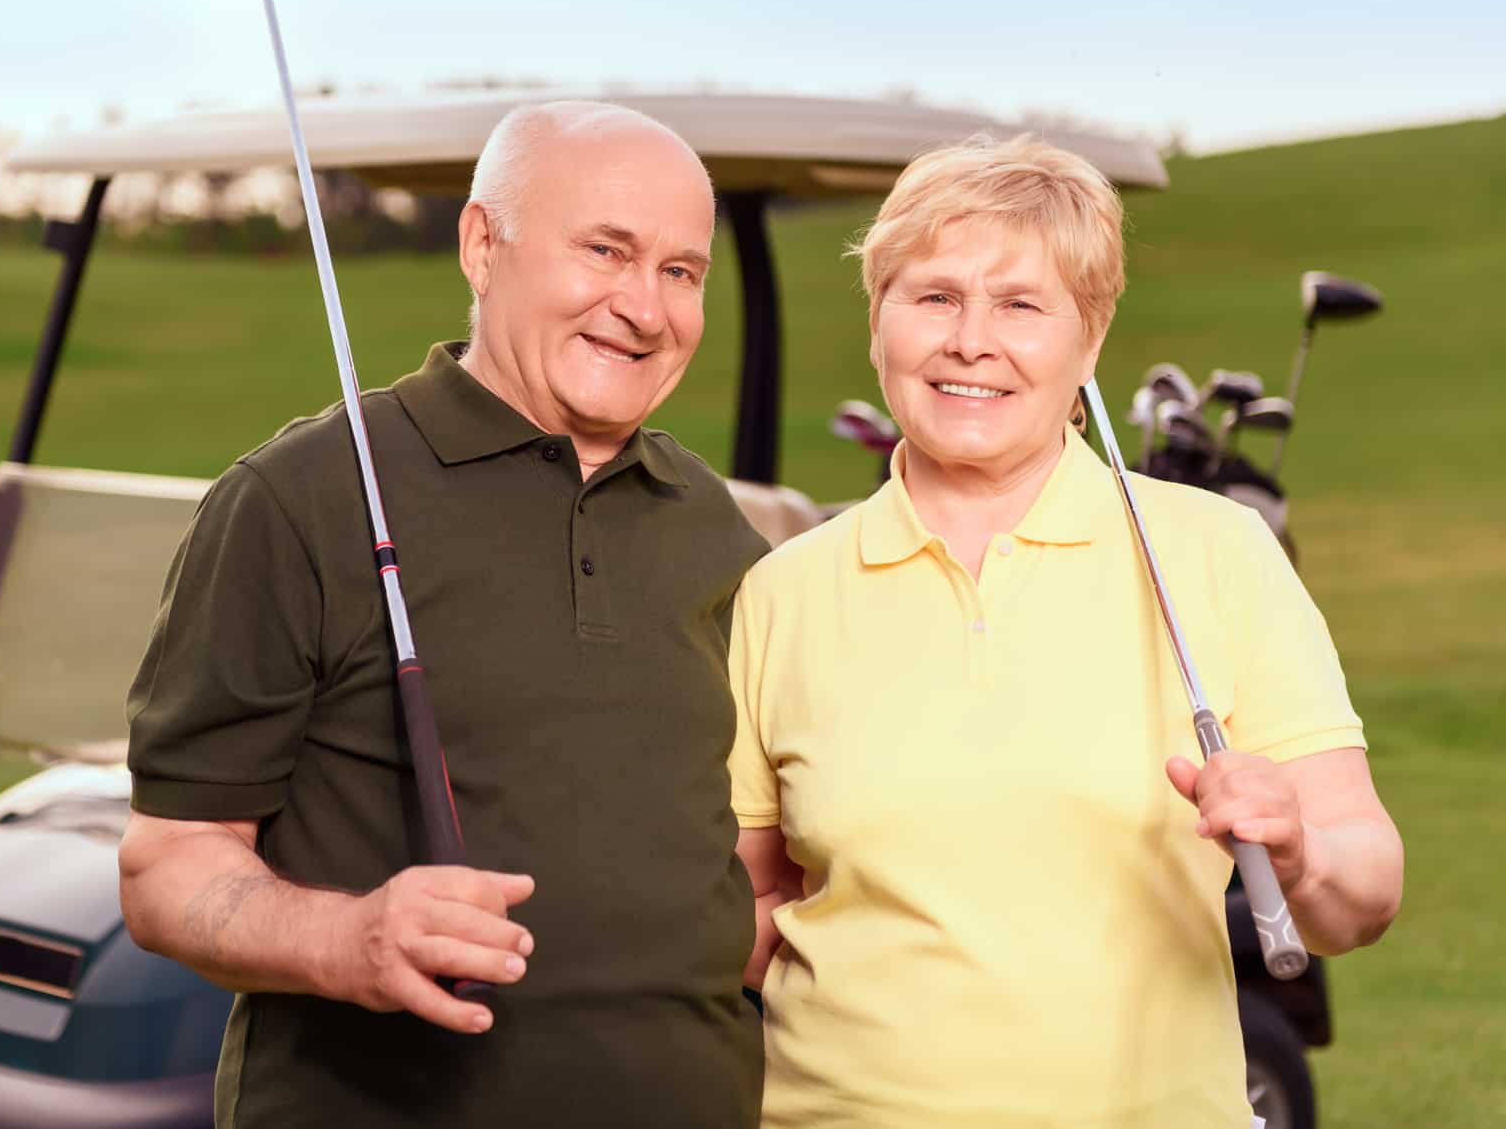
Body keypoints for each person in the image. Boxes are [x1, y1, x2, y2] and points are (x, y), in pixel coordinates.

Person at [729, 136, 1404, 1128]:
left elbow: (1365, 889)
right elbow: (743, 907)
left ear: (1087, 341)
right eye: (931, 296)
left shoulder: (1214, 553)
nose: (969, 339)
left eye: (1019, 303)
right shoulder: (780, 591)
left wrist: (1299, 853)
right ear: (876, 322)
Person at [119, 101, 769, 1128]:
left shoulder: (712, 524)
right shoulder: (300, 499)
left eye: (680, 272)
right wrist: (347, 941)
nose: (644, 307)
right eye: (605, 251)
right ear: (481, 245)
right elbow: (167, 869)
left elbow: (739, 862)